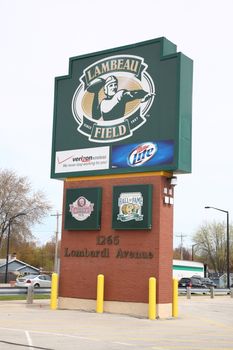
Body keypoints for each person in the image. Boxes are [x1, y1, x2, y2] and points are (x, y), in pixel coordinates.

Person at [87, 75, 155, 121]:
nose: (114, 87)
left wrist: (144, 94)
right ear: (105, 89)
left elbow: (133, 93)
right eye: (111, 85)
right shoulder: (103, 102)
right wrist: (96, 93)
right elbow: (95, 116)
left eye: (115, 85)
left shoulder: (120, 95)